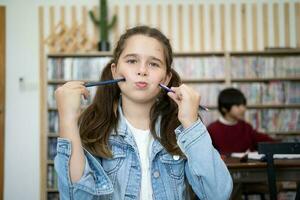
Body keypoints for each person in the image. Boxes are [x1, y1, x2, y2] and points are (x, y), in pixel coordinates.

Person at [54, 25, 232, 200]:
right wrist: (68, 120)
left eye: (154, 64)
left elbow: (218, 195)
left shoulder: (182, 129)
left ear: (167, 78)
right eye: (132, 61)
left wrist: (191, 123)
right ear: (115, 71)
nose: (142, 71)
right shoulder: (94, 126)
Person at [207, 88, 274, 155]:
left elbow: (266, 142)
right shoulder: (212, 130)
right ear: (224, 109)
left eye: (243, 105)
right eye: (238, 105)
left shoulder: (246, 127)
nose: (243, 109)